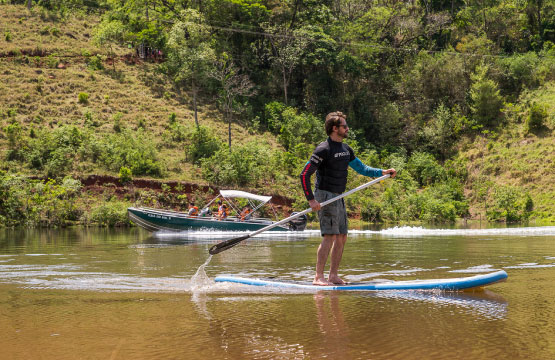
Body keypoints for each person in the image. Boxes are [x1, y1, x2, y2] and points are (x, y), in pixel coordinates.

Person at [300, 111, 396, 286]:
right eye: (344, 126)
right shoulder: (323, 149)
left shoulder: (346, 149)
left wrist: (382, 172)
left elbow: (362, 168)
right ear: (335, 128)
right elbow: (304, 174)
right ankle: (318, 277)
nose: (347, 128)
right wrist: (311, 200)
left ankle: (333, 276)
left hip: (339, 196)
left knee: (342, 236)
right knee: (329, 236)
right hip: (325, 196)